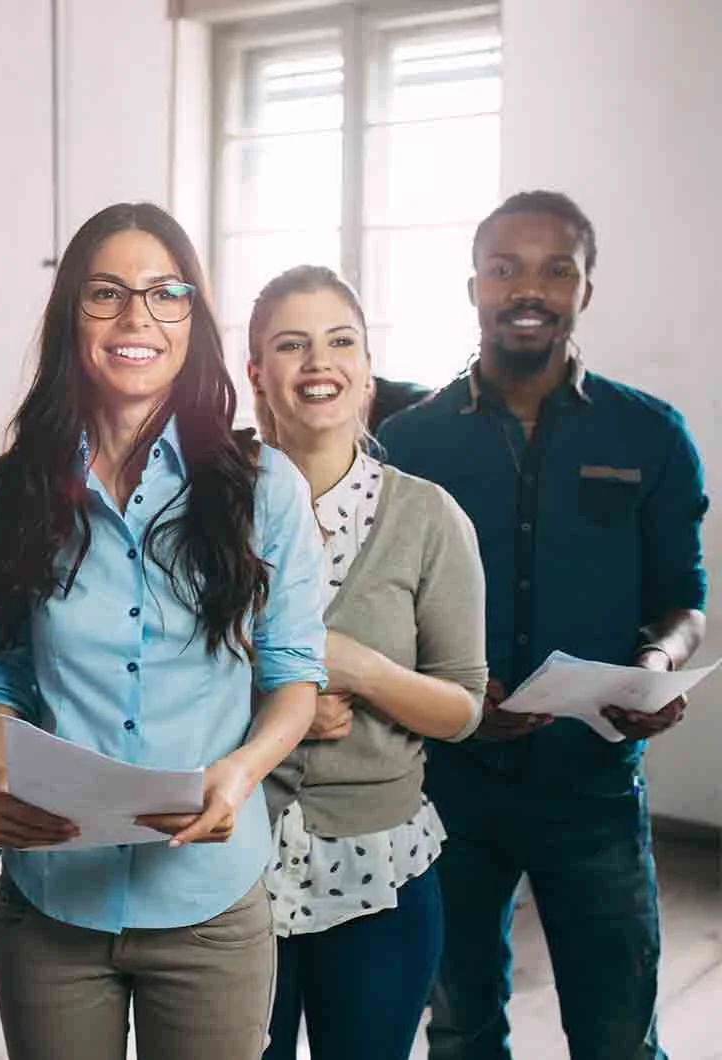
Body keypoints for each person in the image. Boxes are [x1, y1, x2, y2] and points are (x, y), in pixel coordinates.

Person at [0, 202, 326, 1060]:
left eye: (167, 294)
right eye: (107, 294)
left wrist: (242, 773)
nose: (138, 318)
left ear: (193, 320)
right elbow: (7, 666)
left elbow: (294, 676)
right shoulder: (7, 491)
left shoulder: (262, 486)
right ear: (71, 317)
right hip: (52, 900)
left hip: (207, 902)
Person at [378, 190, 708, 1060]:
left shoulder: (653, 435)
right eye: (505, 268)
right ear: (474, 286)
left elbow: (685, 597)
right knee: (459, 1027)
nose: (530, 288)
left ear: (586, 289)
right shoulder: (407, 443)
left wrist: (657, 658)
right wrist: (446, 686)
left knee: (617, 1035)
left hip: (593, 786)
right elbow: (376, 608)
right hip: (448, 788)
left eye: (557, 269)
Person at [244, 265, 488, 1060]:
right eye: (292, 344)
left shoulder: (428, 518)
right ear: (257, 374)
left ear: (366, 369)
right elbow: (154, 676)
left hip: (382, 872)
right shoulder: (202, 513)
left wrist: (365, 672)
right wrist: (280, 708)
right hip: (230, 866)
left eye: (339, 340)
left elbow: (464, 708)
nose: (319, 362)